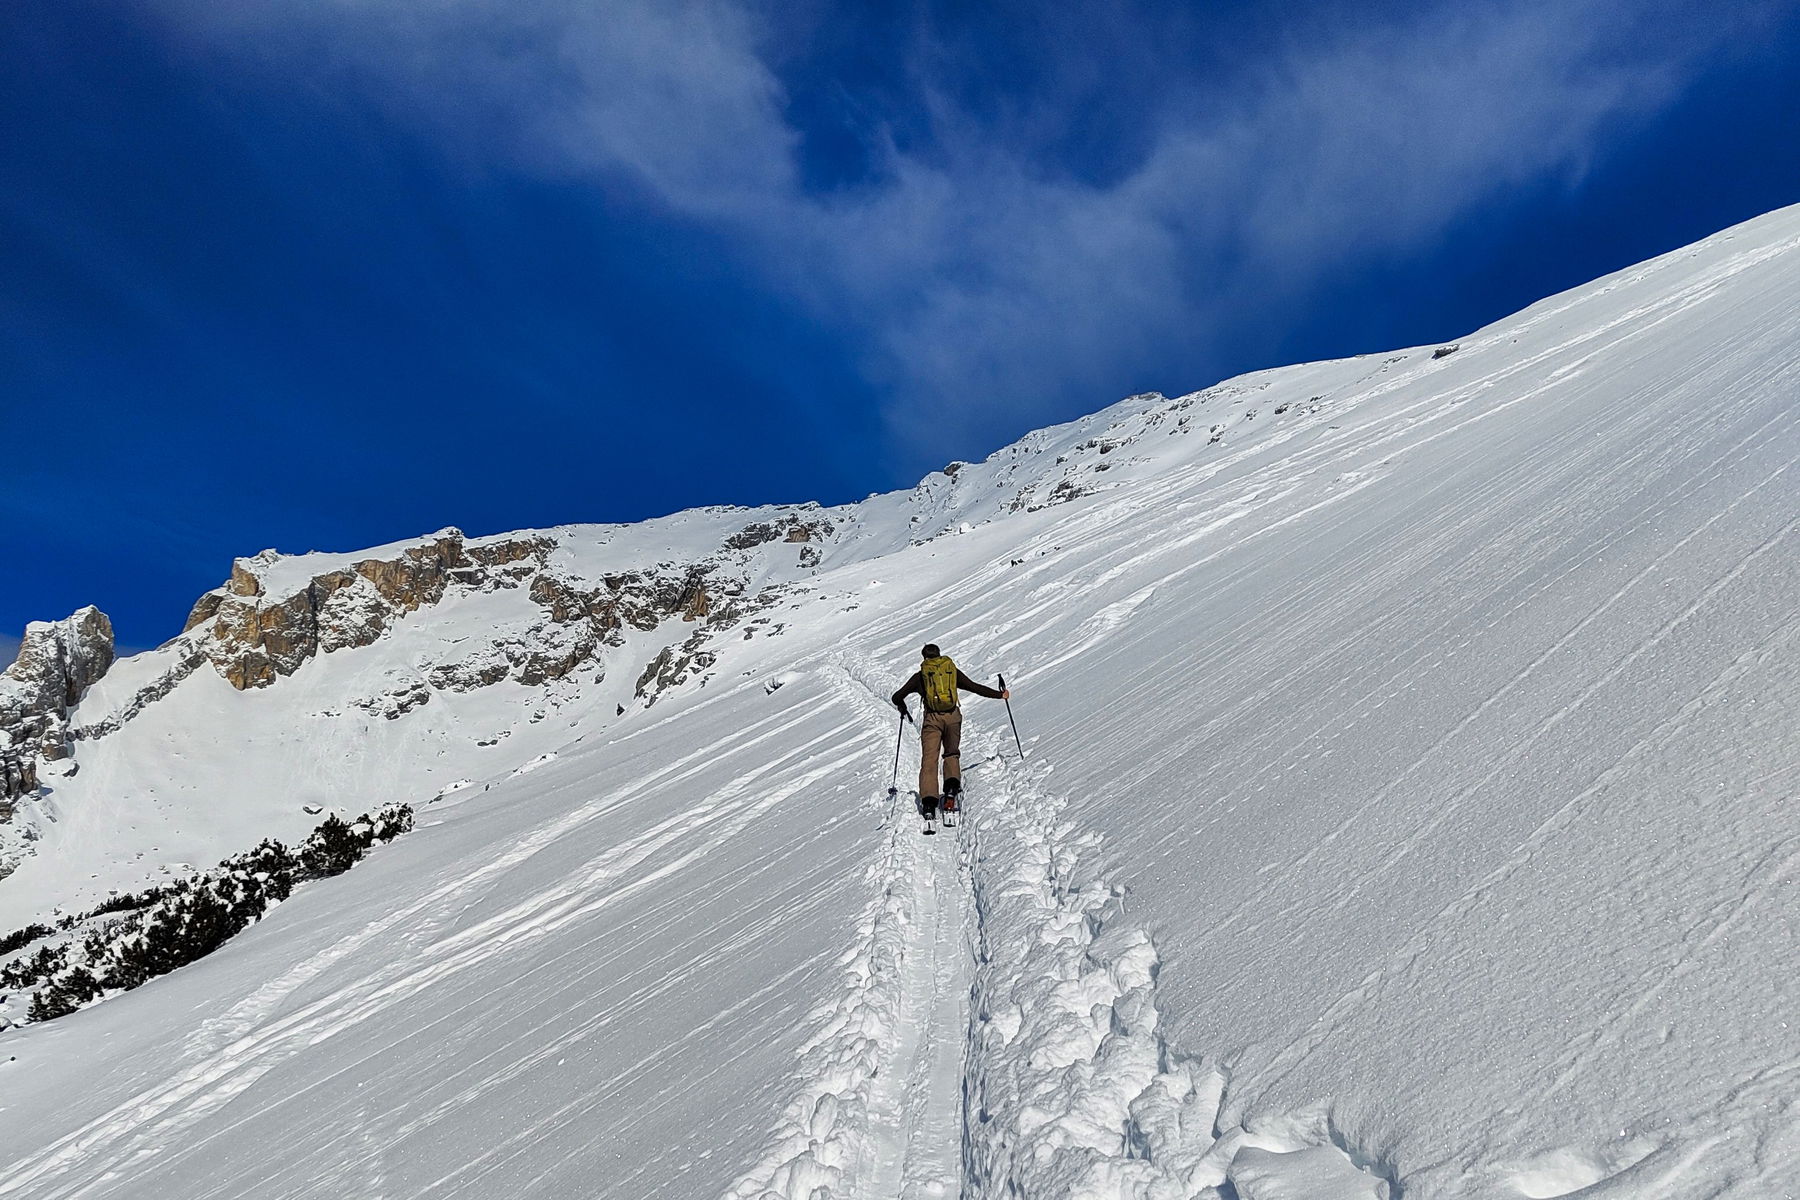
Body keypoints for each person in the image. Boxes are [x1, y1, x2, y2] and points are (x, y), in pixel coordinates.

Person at [891, 643, 1009, 819]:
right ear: (939, 655)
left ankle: (929, 805)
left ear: (924, 657)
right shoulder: (951, 672)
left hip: (932, 720)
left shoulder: (921, 676)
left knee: (930, 761)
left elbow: (896, 696)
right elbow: (975, 687)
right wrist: (1000, 695)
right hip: (953, 717)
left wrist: (902, 706)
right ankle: (951, 791)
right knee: (951, 754)